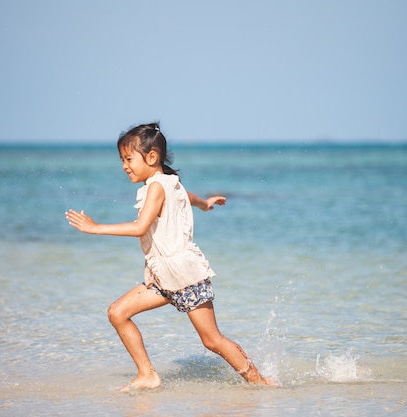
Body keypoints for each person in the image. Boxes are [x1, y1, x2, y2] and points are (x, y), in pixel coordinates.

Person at [65, 122, 274, 391]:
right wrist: (205, 204)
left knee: (212, 341)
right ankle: (147, 375)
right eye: (122, 160)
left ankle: (260, 382)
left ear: (151, 157)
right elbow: (188, 196)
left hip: (185, 276)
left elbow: (140, 227)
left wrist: (95, 228)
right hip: (163, 279)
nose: (124, 166)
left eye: (128, 159)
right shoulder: (168, 182)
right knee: (118, 313)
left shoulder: (156, 187)